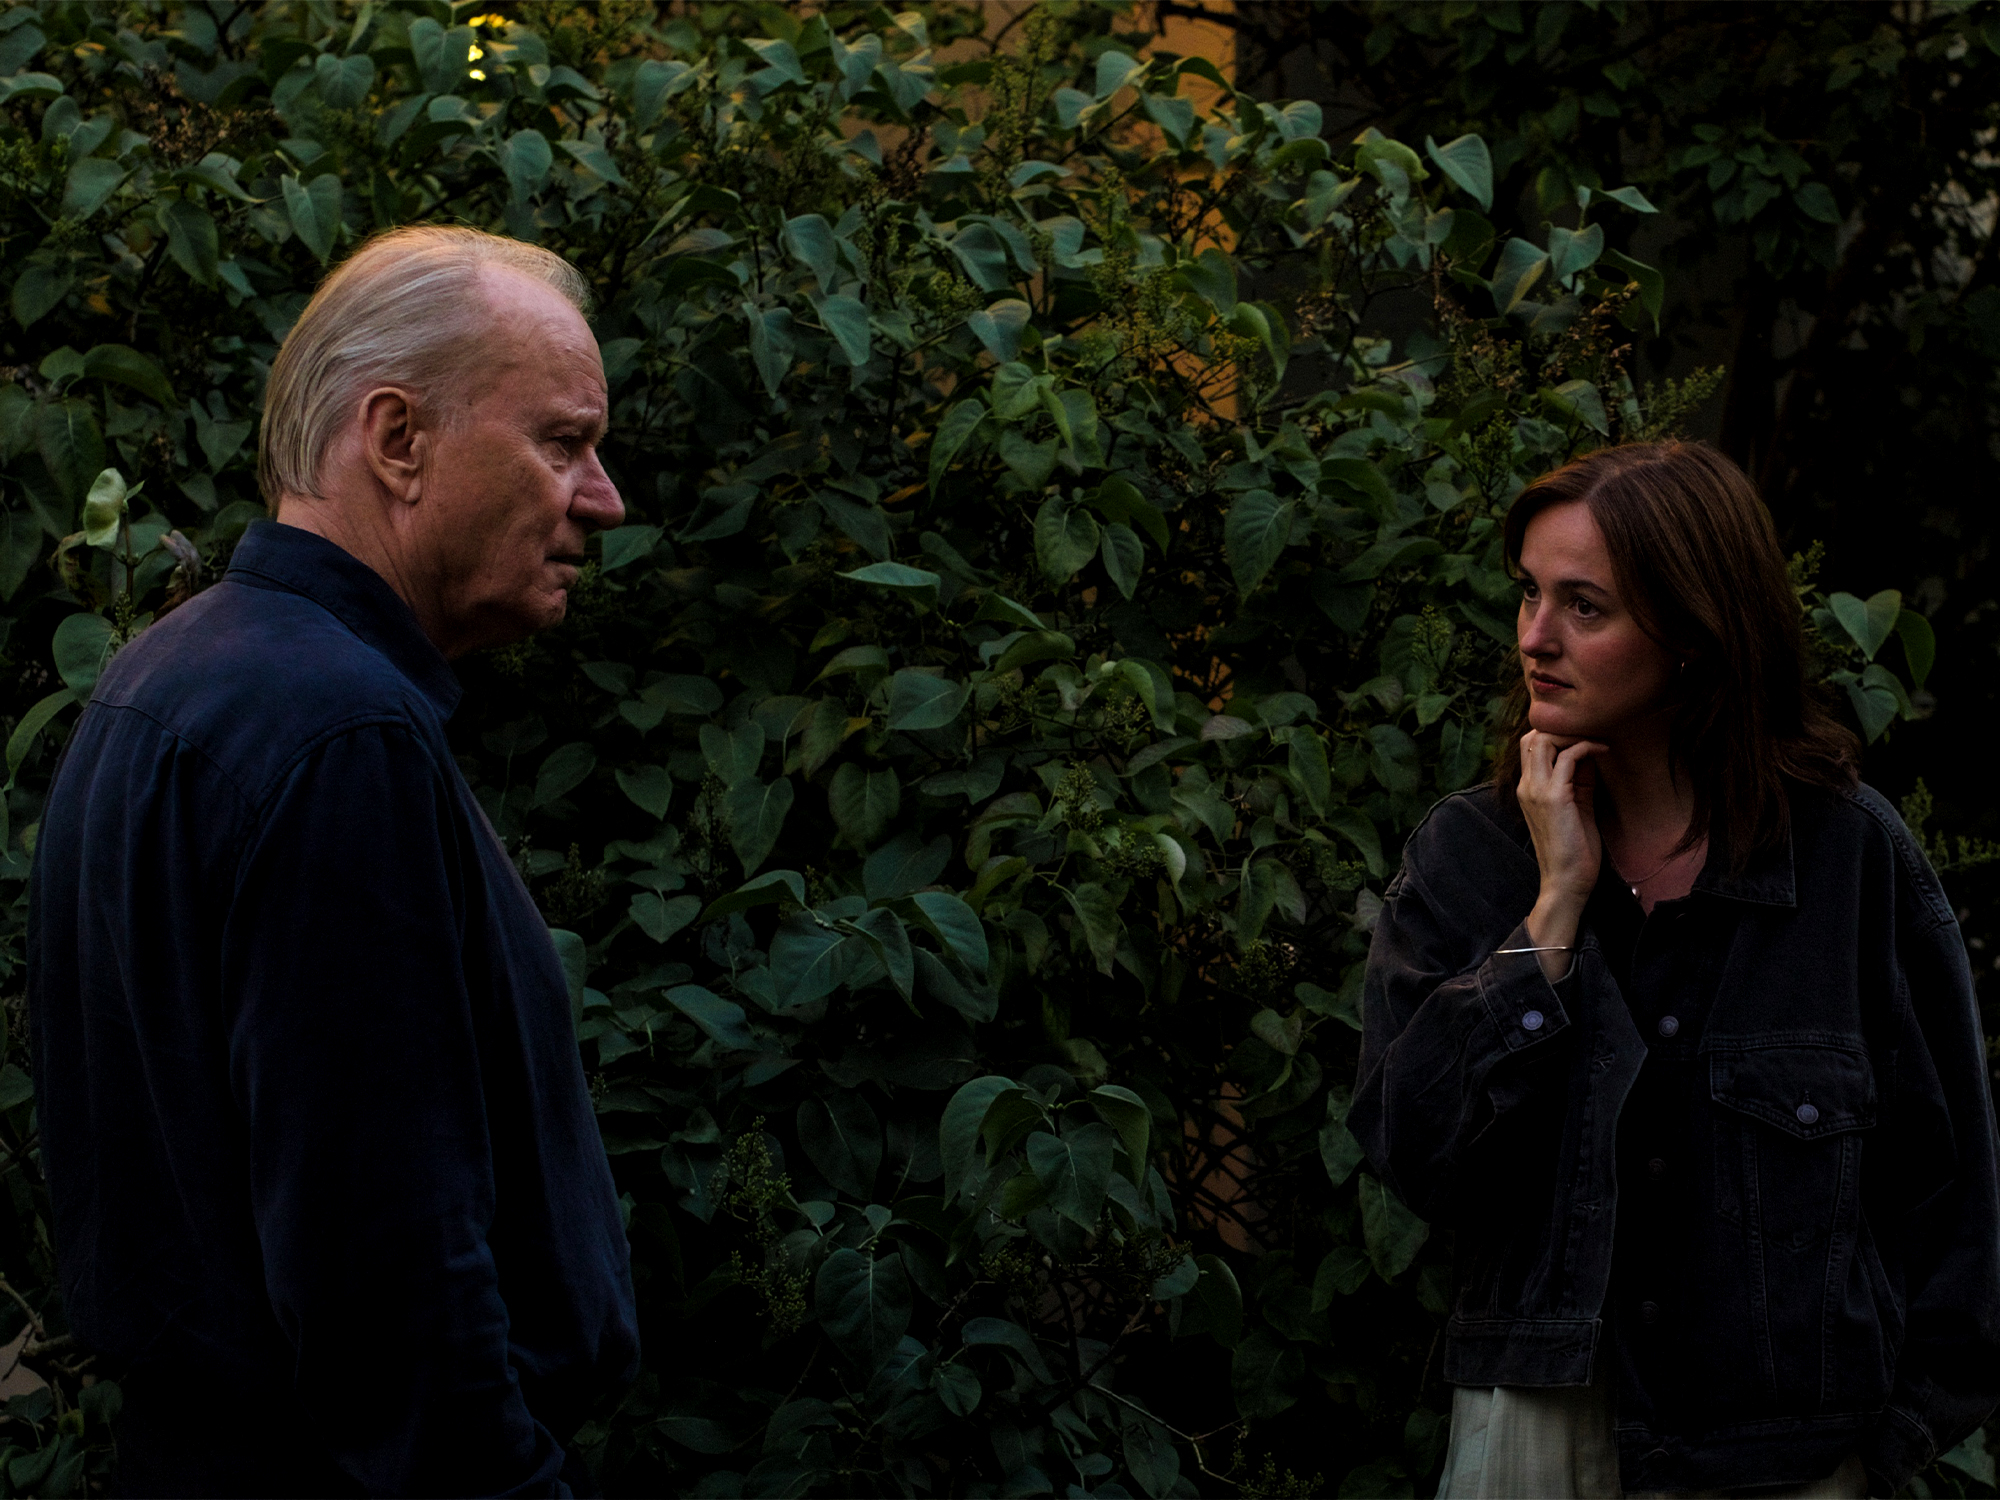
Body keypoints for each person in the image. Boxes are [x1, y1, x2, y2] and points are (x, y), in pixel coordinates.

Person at [28, 225, 637, 1496]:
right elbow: (391, 1279)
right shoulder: (338, 734)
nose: (602, 498)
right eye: (563, 442)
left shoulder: (172, 674)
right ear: (398, 439)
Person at [1351, 441, 2000, 1498]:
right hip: (1533, 1432)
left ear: (1695, 632)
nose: (1533, 638)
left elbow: (1950, 1191)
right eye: (1526, 594)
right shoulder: (1468, 860)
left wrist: (1890, 1447)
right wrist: (1552, 912)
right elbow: (1407, 1150)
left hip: (1784, 1453)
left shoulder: (1844, 861)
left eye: (1583, 608)